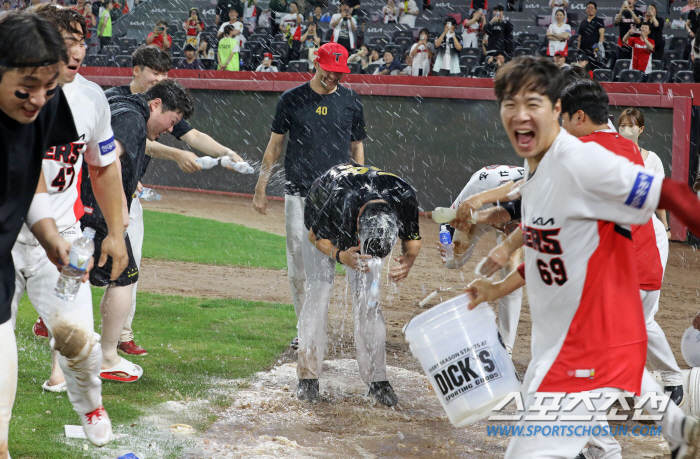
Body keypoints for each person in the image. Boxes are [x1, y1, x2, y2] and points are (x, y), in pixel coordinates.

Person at [465, 56, 700, 459]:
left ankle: (668, 425)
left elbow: (674, 195)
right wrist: (497, 285)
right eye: (510, 104)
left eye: (533, 103)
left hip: (576, 350)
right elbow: (548, 242)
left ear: (559, 111)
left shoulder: (584, 159)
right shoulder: (548, 166)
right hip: (578, 340)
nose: (520, 115)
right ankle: (676, 425)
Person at [12, 4, 128, 448]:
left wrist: (116, 232)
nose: (77, 52)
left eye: (82, 41)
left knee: (79, 343)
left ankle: (90, 404)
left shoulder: (88, 98)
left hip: (58, 244)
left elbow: (103, 166)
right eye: (67, 42)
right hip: (9, 235)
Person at [0, 12, 92, 458]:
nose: (38, 100)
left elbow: (29, 174)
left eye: (49, 87)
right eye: (26, 87)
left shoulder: (47, 104)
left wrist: (51, 236)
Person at [80, 79, 194, 385]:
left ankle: (76, 350)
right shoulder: (132, 118)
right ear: (155, 105)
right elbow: (106, 159)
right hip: (99, 209)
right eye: (173, 121)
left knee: (80, 276)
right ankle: (106, 357)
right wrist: (118, 215)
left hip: (84, 206)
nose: (171, 129)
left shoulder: (120, 106)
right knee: (124, 277)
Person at [252, 43, 366, 349]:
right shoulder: (292, 99)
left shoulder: (351, 100)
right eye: (330, 70)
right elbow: (275, 145)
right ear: (316, 63)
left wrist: (362, 187)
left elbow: (356, 149)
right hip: (299, 194)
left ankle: (363, 329)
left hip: (340, 196)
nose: (334, 77)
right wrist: (261, 186)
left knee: (348, 262)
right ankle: (307, 329)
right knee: (299, 265)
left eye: (340, 72)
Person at [298, 163, 422, 405]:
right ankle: (308, 378)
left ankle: (378, 380)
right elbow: (315, 235)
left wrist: (409, 259)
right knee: (319, 292)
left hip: (360, 205)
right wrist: (340, 254)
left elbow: (413, 239)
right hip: (323, 210)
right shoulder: (339, 202)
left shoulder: (404, 196)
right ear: (357, 227)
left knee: (369, 302)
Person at [441, 165, 524, 355]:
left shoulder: (532, 197)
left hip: (510, 204)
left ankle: (505, 347)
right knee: (453, 260)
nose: (504, 231)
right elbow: (445, 222)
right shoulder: (476, 189)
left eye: (512, 227)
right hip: (481, 204)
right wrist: (446, 245)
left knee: (512, 267)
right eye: (503, 227)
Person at [618, 108, 671, 239]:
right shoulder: (610, 156)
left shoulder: (652, 160)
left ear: (641, 129)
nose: (626, 130)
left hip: (644, 225)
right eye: (622, 125)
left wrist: (665, 226)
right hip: (616, 223)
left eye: (631, 125)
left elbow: (658, 195)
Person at [577, 1, 605, 69]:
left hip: (594, 47)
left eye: (592, 8)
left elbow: (602, 35)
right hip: (583, 48)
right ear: (586, 10)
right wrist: (578, 48)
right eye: (588, 8)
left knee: (594, 66)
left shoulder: (599, 21)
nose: (590, 10)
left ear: (595, 10)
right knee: (583, 67)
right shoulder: (583, 22)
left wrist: (599, 48)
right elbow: (580, 36)